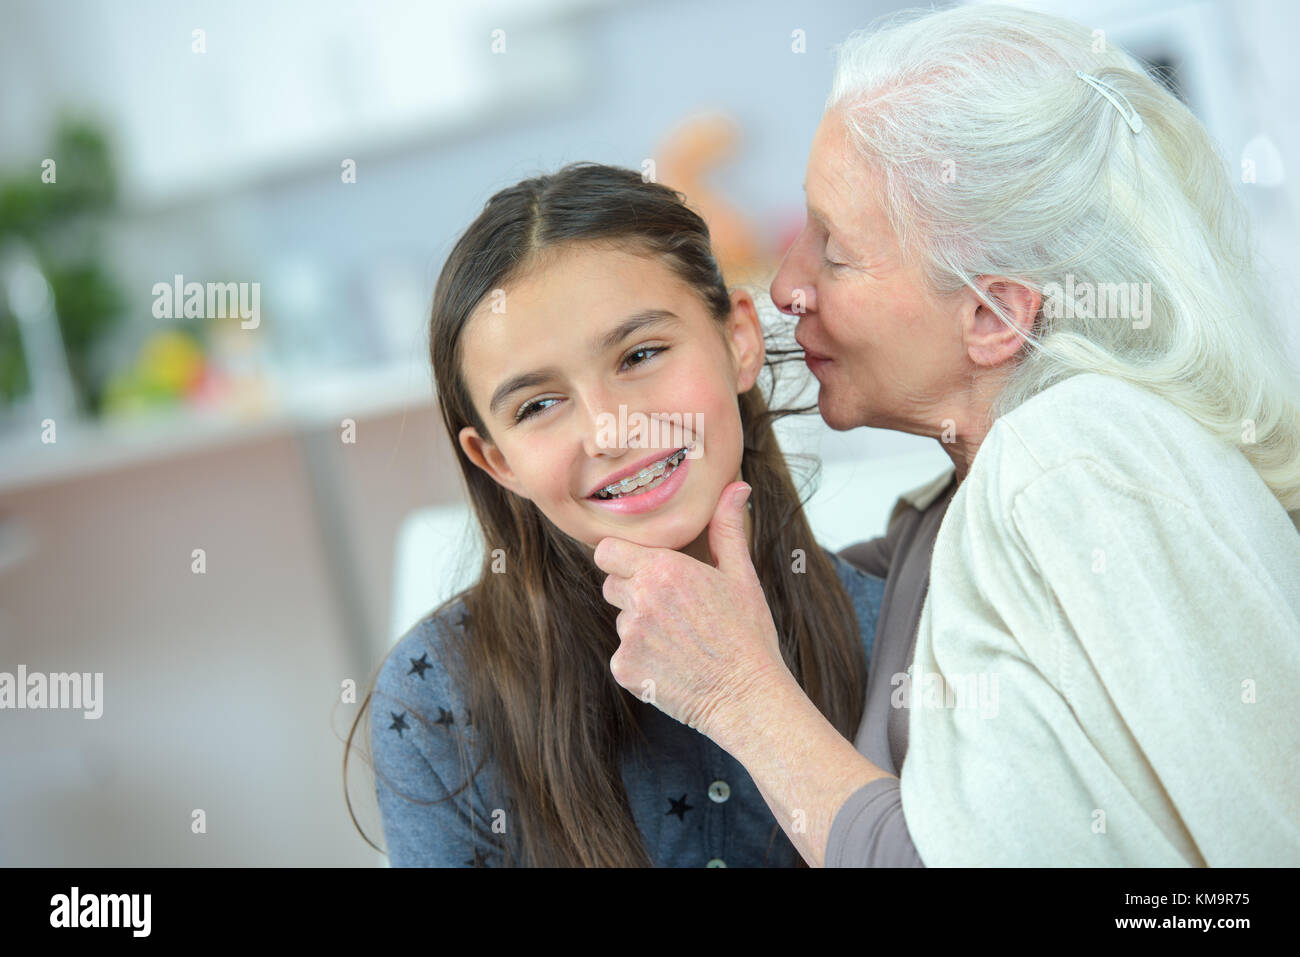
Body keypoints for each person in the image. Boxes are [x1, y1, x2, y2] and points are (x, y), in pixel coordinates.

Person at [592, 3, 1300, 866]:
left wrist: (739, 693)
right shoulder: (961, 511)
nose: (785, 287)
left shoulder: (1070, 460)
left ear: (996, 312)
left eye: (834, 249)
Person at [344, 162, 887, 866]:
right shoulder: (437, 696)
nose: (610, 430)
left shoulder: (895, 629)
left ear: (739, 341)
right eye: (538, 405)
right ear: (496, 459)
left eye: (641, 354)